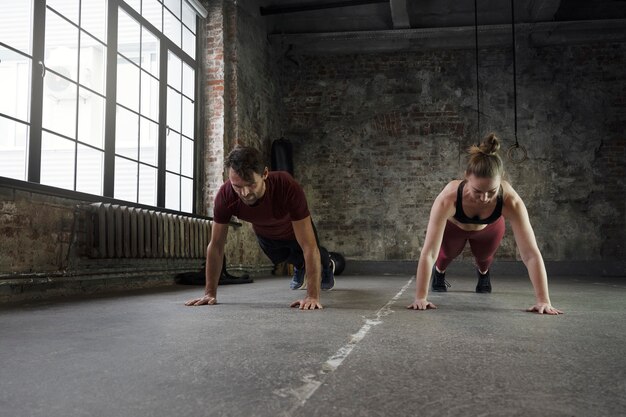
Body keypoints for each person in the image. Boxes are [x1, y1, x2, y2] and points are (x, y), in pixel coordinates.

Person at [407, 133, 562, 315]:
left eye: (492, 192)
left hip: (489, 229)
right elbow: (429, 252)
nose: (485, 198)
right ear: (467, 178)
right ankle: (439, 274)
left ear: (501, 180)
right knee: (446, 254)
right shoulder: (448, 199)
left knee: (484, 257)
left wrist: (543, 300)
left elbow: (530, 254)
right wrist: (420, 297)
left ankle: (483, 273)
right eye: (478, 191)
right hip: (454, 229)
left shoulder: (511, 201)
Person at [185, 145, 334, 310]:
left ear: (265, 174)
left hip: (294, 228)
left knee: (314, 251)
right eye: (238, 186)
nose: (245, 193)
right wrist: (210, 293)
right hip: (267, 235)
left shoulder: (286, 185)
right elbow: (216, 246)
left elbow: (308, 245)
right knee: (289, 258)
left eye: (251, 184)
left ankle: (327, 266)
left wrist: (312, 296)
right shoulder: (225, 196)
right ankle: (300, 267)